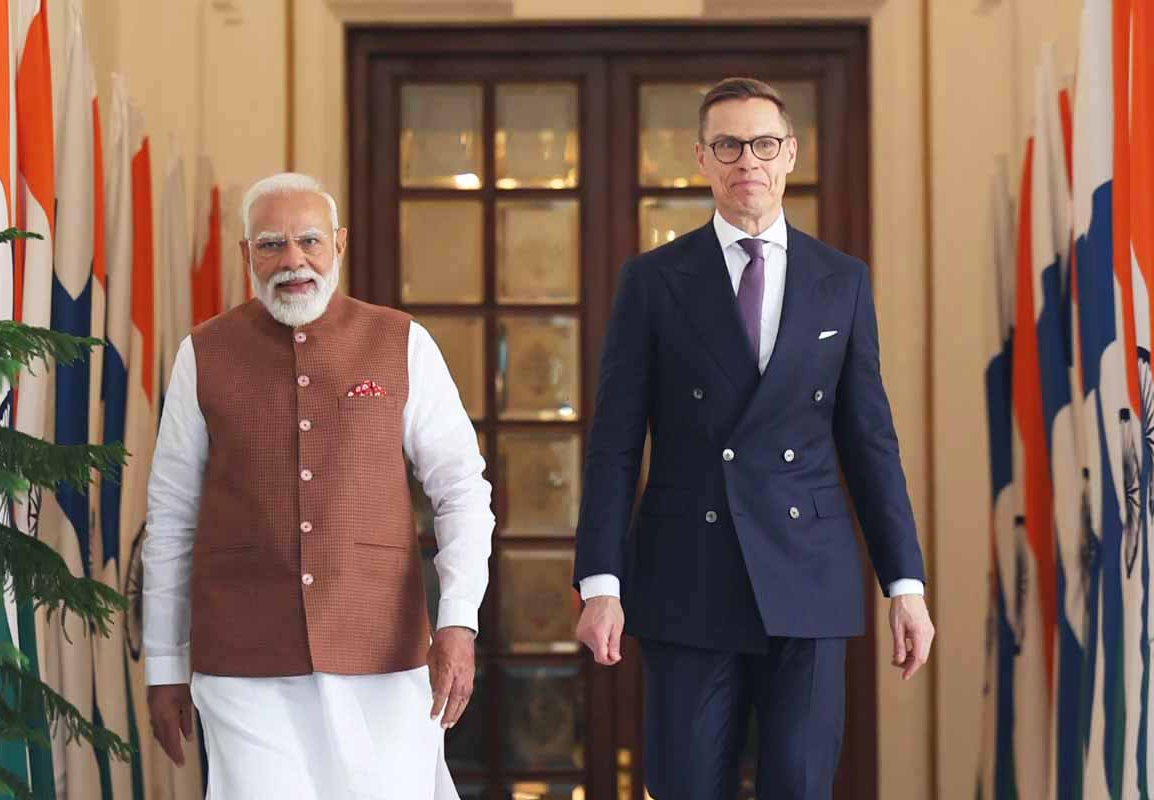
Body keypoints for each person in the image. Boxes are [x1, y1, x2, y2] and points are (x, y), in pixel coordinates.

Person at [573, 78, 935, 799]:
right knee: (684, 787)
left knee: (799, 787)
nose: (749, 161)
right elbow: (614, 445)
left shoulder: (843, 281)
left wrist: (906, 584)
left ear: (790, 154)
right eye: (730, 145)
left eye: (764, 144)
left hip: (808, 573)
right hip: (688, 572)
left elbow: (870, 440)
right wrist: (600, 582)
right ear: (702, 158)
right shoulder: (652, 281)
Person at [143, 172, 493, 799]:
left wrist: (458, 622)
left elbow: (462, 490)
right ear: (246, 255)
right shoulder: (204, 352)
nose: (293, 260)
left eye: (308, 240)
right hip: (244, 663)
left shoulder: (401, 342)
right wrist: (165, 663)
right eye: (271, 244)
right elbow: (172, 516)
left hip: (385, 653)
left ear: (339, 244)